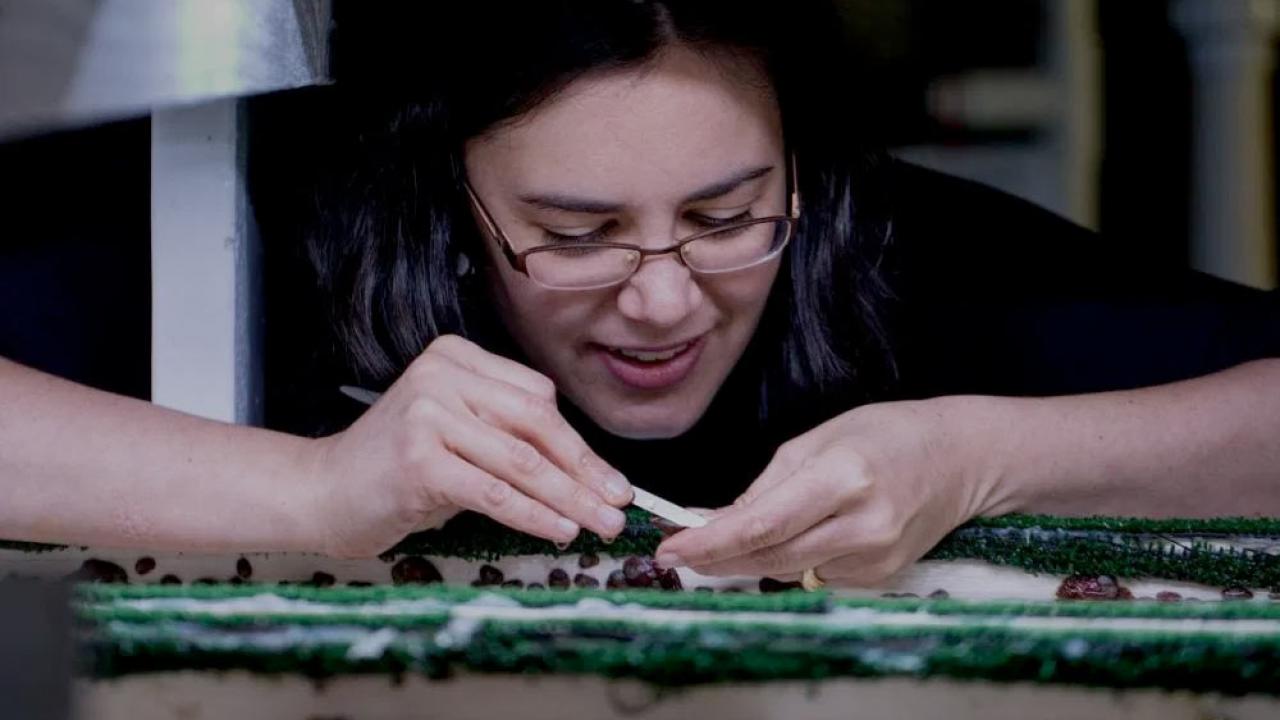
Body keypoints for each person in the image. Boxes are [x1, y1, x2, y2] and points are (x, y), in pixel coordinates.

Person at [2, 1, 1278, 588]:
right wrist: (315, 489)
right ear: (443, 191)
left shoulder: (870, 248)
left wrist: (980, 453)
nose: (665, 302)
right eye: (575, 233)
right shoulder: (254, 228)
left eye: (724, 218)